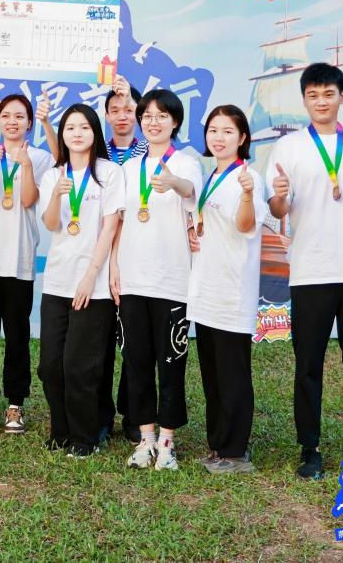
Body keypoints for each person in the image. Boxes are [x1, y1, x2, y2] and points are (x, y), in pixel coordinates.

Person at [265, 62, 343, 480]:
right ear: (304, 99)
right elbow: (278, 210)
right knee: (308, 365)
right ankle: (311, 448)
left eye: (328, 94)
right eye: (313, 95)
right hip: (311, 272)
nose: (321, 101)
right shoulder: (288, 148)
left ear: (342, 96)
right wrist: (279, 196)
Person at [108, 90, 202, 471]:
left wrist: (174, 182)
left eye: (162, 116)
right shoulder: (129, 169)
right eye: (147, 115)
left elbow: (191, 192)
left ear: (175, 121)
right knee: (137, 362)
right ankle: (145, 439)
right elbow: (118, 221)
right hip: (133, 279)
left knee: (171, 363)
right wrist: (114, 267)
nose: (153, 122)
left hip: (172, 281)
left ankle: (167, 442)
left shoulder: (186, 162)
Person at [37, 104, 124, 459]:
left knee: (80, 366)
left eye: (84, 127)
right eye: (70, 127)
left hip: (94, 285)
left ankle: (85, 438)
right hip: (57, 281)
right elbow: (51, 224)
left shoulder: (109, 172)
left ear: (94, 132)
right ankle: (61, 431)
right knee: (49, 366)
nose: (77, 133)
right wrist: (57, 195)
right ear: (62, 134)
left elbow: (110, 227)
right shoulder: (52, 175)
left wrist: (91, 275)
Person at [188, 105, 267, 474]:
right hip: (207, 287)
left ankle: (235, 452)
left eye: (227, 131)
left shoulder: (248, 178)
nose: (218, 138)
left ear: (242, 138)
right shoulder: (212, 175)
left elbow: (245, 225)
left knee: (233, 374)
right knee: (212, 374)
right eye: (213, 130)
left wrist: (248, 195)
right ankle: (217, 445)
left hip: (233, 290)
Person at [0, 94, 54, 435]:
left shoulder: (40, 157)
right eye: (6, 115)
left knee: (18, 336)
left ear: (30, 123)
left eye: (20, 116)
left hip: (19, 261)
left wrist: (27, 166)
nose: (12, 122)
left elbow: (29, 199)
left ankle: (16, 404)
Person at [99, 74, 146, 445]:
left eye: (128, 109)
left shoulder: (151, 151)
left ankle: (133, 413)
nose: (122, 115)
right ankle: (100, 414)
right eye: (114, 110)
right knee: (99, 342)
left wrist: (130, 94)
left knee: (135, 342)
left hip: (139, 254)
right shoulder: (96, 153)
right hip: (101, 254)